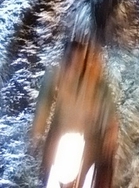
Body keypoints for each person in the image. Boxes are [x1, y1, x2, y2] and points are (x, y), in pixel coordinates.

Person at [30, 39, 119, 176]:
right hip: (62, 132)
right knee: (46, 167)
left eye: (78, 63)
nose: (74, 67)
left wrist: (110, 129)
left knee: (103, 165)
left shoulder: (96, 79)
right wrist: (37, 132)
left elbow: (108, 107)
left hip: (90, 135)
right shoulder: (55, 75)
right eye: (70, 61)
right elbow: (44, 104)